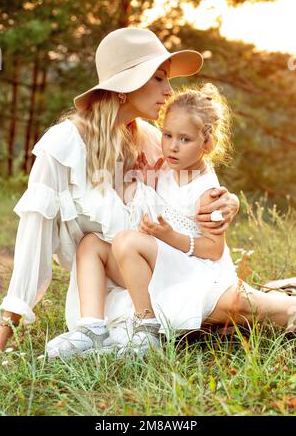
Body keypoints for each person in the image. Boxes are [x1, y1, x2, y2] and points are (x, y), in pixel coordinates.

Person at [0, 28, 240, 355]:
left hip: (165, 280)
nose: (169, 91)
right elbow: (32, 246)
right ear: (126, 85)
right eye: (158, 78)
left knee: (247, 307)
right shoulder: (64, 146)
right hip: (101, 303)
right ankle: (104, 332)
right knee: (91, 245)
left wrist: (230, 201)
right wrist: (2, 334)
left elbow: (197, 181)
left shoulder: (155, 139)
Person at [110, 84, 296, 355]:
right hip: (172, 269)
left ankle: (146, 328)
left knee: (240, 306)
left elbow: (213, 249)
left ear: (207, 144)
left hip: (201, 272)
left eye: (185, 139)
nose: (173, 146)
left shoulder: (207, 192)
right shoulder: (165, 167)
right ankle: (150, 325)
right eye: (168, 135)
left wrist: (165, 234)